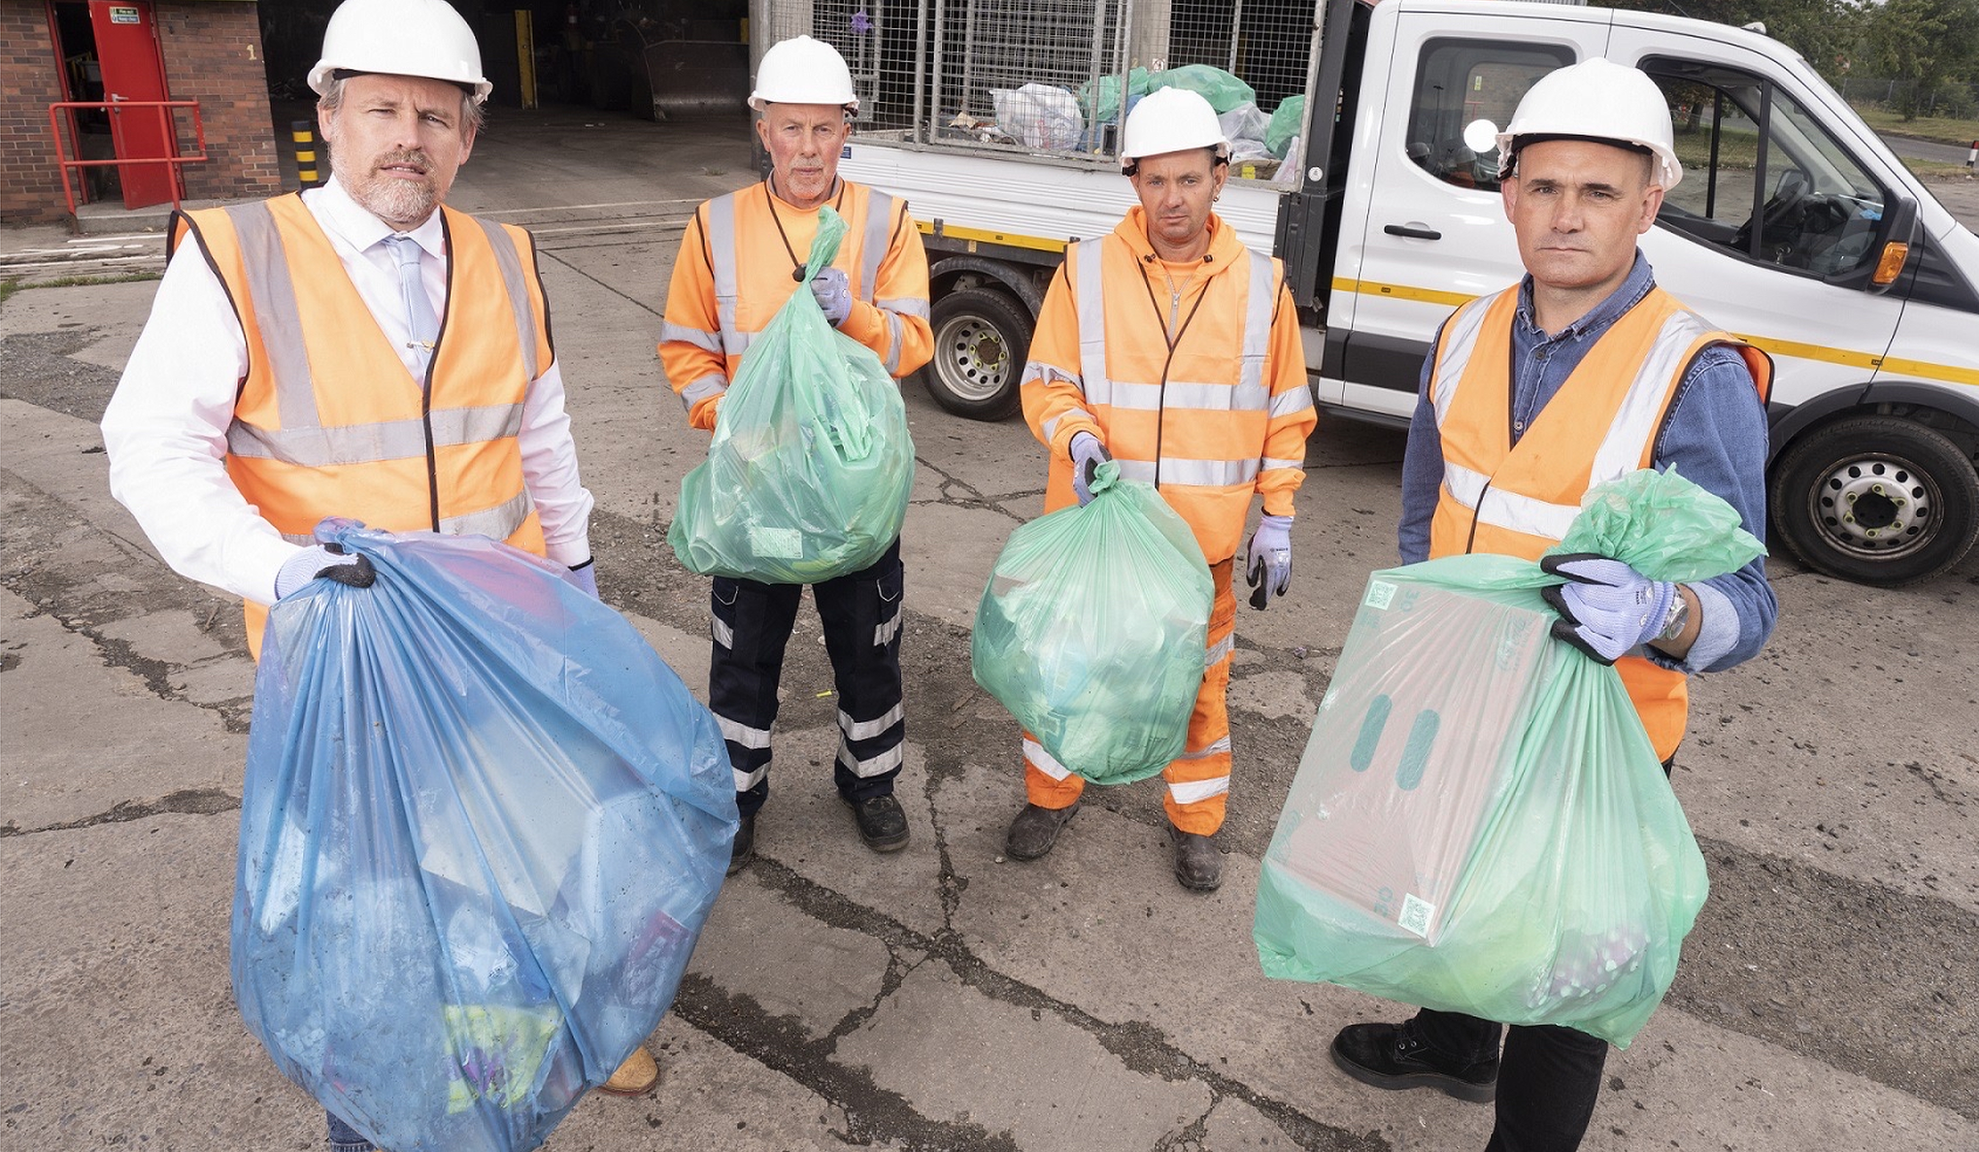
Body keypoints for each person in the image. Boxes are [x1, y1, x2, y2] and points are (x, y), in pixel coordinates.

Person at [98, 0, 660, 1141]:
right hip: (347, 662)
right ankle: (386, 1111)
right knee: (379, 915)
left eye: (436, 118)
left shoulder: (505, 256)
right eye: (384, 110)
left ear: (469, 135)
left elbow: (540, 434)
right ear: (329, 115)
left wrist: (580, 574)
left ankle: (524, 1057)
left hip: (504, 647)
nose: (410, 138)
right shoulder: (239, 255)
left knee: (518, 868)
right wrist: (281, 570)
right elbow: (152, 451)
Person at [1326, 59, 1777, 1151]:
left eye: (1598, 192)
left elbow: (1745, 605)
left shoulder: (1692, 371)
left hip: (1595, 735)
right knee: (1446, 889)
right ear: (1506, 194)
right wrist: (1411, 630)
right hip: (1464, 704)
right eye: (1542, 187)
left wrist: (1663, 612)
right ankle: (1452, 1041)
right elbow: (1427, 513)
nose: (1564, 216)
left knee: (1565, 978)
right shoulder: (1463, 332)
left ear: (1648, 203)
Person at [1001, 86, 1315, 892]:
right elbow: (1047, 380)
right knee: (1069, 674)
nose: (1171, 200)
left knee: (1198, 693)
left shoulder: (1262, 286)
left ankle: (1195, 823)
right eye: (1154, 181)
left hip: (1198, 552)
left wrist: (1276, 514)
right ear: (1132, 182)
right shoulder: (1086, 271)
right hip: (1100, 535)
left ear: (1221, 176)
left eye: (1189, 180)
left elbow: (1285, 411)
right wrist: (1074, 435)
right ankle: (1051, 794)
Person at [659, 35, 934, 875]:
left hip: (854, 494)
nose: (808, 149)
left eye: (825, 130)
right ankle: (736, 798)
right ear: (762, 127)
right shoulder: (716, 225)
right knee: (744, 657)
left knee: (868, 649)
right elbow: (685, 344)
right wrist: (723, 417)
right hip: (758, 494)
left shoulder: (883, 222)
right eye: (791, 129)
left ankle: (872, 783)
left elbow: (914, 344)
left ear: (848, 128)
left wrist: (854, 315)